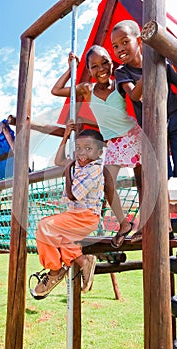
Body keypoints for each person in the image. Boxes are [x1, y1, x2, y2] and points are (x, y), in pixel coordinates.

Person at [111, 19, 177, 241]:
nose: (120, 49)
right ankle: (164, 222)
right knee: (160, 174)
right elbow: (135, 95)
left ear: (139, 41)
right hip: (152, 125)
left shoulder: (162, 62)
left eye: (124, 42)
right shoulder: (122, 72)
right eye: (115, 46)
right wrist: (150, 64)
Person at [51, 45, 143, 248]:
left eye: (105, 63)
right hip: (114, 143)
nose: (101, 69)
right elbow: (56, 90)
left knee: (142, 181)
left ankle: (146, 225)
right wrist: (70, 69)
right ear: (89, 70)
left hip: (134, 135)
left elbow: (138, 91)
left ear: (112, 62)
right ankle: (124, 224)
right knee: (108, 183)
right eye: (94, 66)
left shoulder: (120, 81)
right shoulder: (87, 89)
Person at [32, 121, 105, 298]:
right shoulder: (78, 165)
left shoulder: (94, 169)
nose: (82, 153)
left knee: (45, 226)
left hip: (86, 216)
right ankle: (82, 260)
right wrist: (65, 136)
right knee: (60, 238)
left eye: (88, 149)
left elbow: (74, 195)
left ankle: (55, 271)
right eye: (78, 148)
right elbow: (58, 160)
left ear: (99, 152)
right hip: (73, 215)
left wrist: (67, 169)